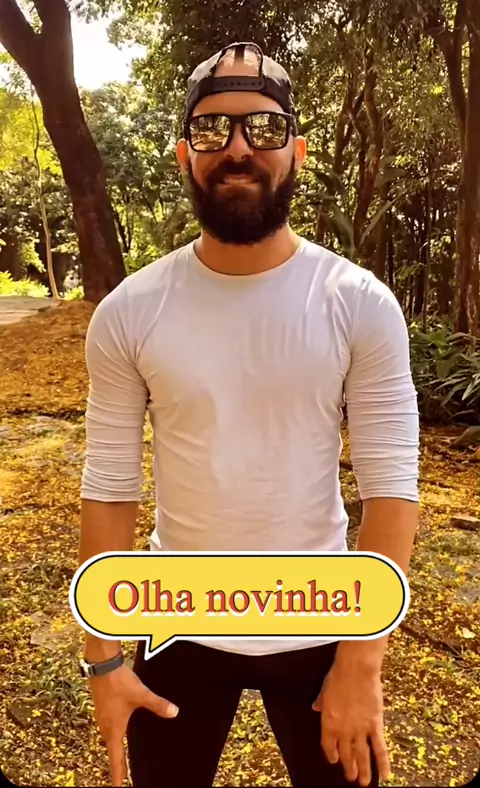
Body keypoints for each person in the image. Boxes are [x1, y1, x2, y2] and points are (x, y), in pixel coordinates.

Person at [78, 41, 420, 788]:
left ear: (297, 152)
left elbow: (393, 487)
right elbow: (108, 488)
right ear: (184, 156)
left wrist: (362, 661)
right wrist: (104, 660)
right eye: (211, 129)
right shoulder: (130, 312)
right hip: (178, 620)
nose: (237, 148)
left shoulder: (359, 303)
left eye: (263, 128)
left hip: (323, 616)